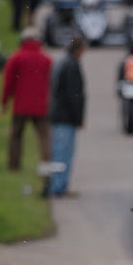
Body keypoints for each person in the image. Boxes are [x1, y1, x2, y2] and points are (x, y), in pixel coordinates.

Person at [1, 26, 52, 171]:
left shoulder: (16, 57)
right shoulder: (46, 59)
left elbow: (8, 82)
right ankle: (46, 163)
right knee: (44, 136)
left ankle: (14, 165)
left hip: (21, 104)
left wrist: (5, 101)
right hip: (41, 104)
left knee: (16, 135)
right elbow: (51, 82)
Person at [48, 34, 86, 196]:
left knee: (59, 152)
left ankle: (59, 185)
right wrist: (78, 117)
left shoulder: (62, 61)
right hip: (66, 116)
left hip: (59, 113)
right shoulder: (71, 65)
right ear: (78, 49)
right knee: (63, 153)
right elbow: (74, 95)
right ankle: (59, 187)